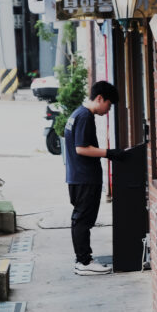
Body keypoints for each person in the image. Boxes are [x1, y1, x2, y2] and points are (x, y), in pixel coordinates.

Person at [64, 80, 125, 275]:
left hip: (77, 177)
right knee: (82, 220)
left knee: (81, 219)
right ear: (100, 98)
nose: (108, 110)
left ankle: (83, 259)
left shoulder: (76, 115)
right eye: (108, 104)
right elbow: (81, 148)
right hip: (85, 178)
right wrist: (109, 153)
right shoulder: (84, 117)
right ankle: (84, 262)